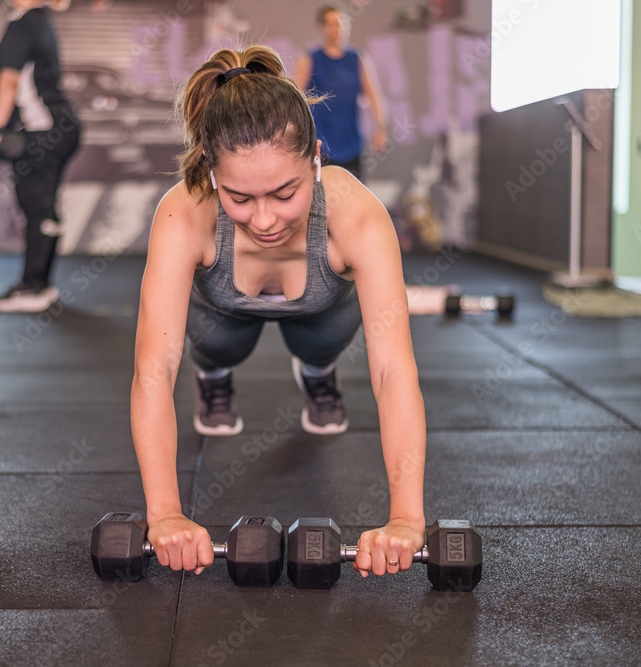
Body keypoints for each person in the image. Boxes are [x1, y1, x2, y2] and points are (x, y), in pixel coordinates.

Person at [131, 46, 426, 579]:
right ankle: (215, 373)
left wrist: (406, 518)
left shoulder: (355, 213)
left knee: (321, 343)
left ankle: (317, 371)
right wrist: (165, 515)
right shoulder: (184, 211)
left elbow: (392, 369)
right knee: (218, 345)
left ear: (315, 156)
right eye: (240, 198)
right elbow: (154, 371)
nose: (264, 219)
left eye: (286, 192)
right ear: (212, 172)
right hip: (222, 314)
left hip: (321, 313)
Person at [0, 0, 81, 313]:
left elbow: (9, 80)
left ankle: (33, 287)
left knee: (37, 207)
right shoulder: (39, 20)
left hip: (43, 129)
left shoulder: (24, 22)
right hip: (59, 126)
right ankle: (40, 284)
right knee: (44, 208)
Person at [293, 5, 388, 180]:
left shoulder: (357, 58)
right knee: (324, 199)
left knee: (354, 197)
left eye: (341, 24)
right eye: (331, 24)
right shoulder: (310, 58)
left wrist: (380, 128)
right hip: (320, 145)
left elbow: (374, 95)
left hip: (352, 143)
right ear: (322, 28)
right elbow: (295, 99)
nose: (337, 29)